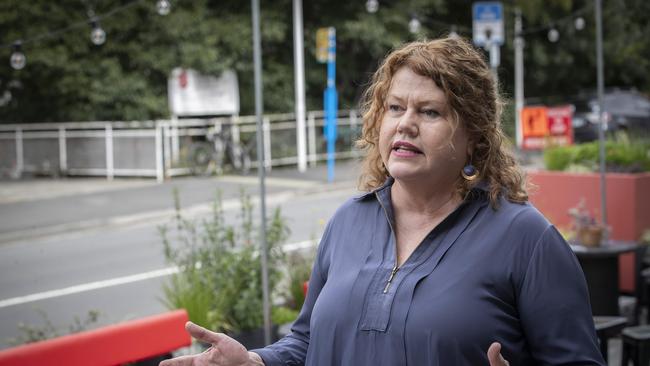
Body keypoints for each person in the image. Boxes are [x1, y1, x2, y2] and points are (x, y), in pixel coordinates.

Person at [160, 37, 605, 366]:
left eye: (430, 112)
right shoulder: (347, 223)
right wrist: (254, 362)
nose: (405, 124)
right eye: (395, 108)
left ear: (473, 136)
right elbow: (307, 342)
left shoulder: (525, 239)